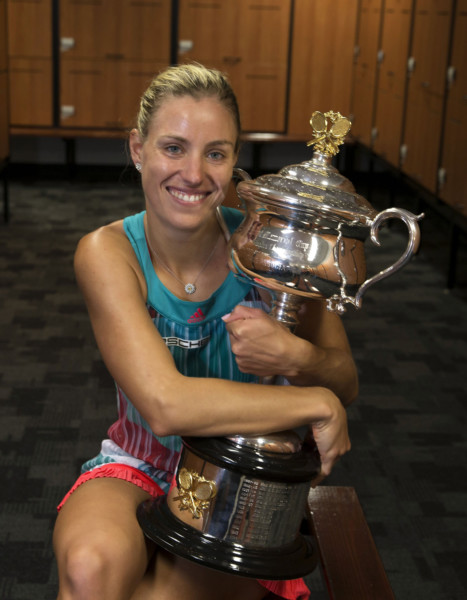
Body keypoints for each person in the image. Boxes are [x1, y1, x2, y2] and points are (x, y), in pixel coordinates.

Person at [53, 63, 358, 600]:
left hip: (243, 479)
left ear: (235, 161)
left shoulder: (270, 248)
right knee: (88, 569)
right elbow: (165, 405)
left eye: (215, 153)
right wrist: (315, 403)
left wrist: (297, 357)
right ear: (136, 149)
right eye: (173, 148)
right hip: (142, 460)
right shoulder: (108, 252)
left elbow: (345, 377)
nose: (193, 173)